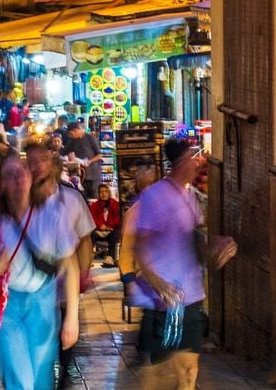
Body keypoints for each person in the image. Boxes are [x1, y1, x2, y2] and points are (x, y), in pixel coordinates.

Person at [130, 139, 237, 390]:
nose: (198, 162)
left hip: (190, 297)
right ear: (180, 162)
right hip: (166, 302)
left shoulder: (190, 197)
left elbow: (197, 239)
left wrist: (219, 244)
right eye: (193, 157)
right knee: (162, 375)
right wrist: (158, 284)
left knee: (189, 372)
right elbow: (140, 245)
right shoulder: (154, 196)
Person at [0, 153, 80, 390]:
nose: (18, 180)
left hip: (42, 303)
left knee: (42, 379)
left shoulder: (52, 215)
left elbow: (70, 265)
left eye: (22, 173)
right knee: (19, 379)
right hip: (6, 306)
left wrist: (72, 317)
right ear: (1, 184)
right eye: (10, 175)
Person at [26, 138, 95, 390]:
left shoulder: (71, 199)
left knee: (65, 357)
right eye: (31, 162)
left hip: (64, 294)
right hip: (31, 298)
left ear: (53, 164)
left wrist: (82, 276)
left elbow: (85, 242)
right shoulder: (20, 202)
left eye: (42, 160)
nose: (37, 167)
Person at [66, 119, 104, 198]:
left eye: (71, 133)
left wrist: (89, 161)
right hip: (81, 176)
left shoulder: (90, 138)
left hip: (93, 175)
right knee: (83, 198)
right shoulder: (73, 141)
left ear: (76, 130)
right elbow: (64, 151)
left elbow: (99, 155)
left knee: (94, 198)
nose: (70, 136)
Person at [90, 184, 122, 268]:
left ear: (109, 193)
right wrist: (100, 225)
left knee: (116, 234)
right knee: (89, 235)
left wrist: (108, 226)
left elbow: (118, 219)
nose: (103, 194)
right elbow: (92, 219)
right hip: (98, 231)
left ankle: (110, 258)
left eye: (106, 191)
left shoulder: (116, 205)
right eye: (101, 192)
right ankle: (88, 258)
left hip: (111, 231)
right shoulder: (94, 206)